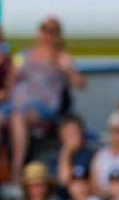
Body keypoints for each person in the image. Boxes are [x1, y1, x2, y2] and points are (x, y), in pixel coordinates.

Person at [8, 17, 85, 177]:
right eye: (44, 30)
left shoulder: (61, 58)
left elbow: (80, 83)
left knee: (19, 117)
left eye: (51, 31)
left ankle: (16, 167)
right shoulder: (24, 55)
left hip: (45, 106)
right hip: (21, 103)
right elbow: (10, 79)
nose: (47, 35)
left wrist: (68, 71)